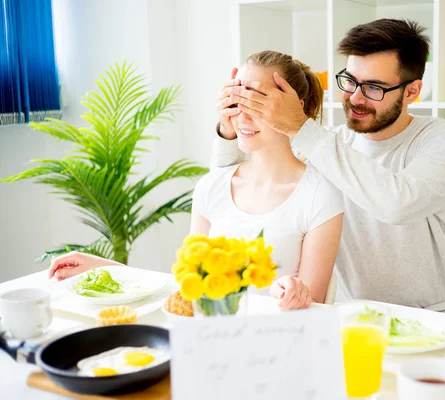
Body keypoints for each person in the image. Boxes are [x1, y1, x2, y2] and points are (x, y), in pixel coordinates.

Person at [212, 19, 445, 316]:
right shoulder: (327, 143)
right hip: (356, 314)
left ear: (412, 91)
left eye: (374, 87)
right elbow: (223, 187)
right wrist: (228, 127)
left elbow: (397, 204)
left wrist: (300, 126)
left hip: (438, 314)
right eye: (349, 81)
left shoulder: (442, 137)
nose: (355, 98)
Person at [48, 50, 344, 311]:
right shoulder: (212, 186)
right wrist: (106, 270)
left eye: (258, 101)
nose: (242, 116)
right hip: (209, 341)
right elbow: (185, 290)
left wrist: (294, 295)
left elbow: (312, 308)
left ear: (295, 107)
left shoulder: (320, 195)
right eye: (237, 100)